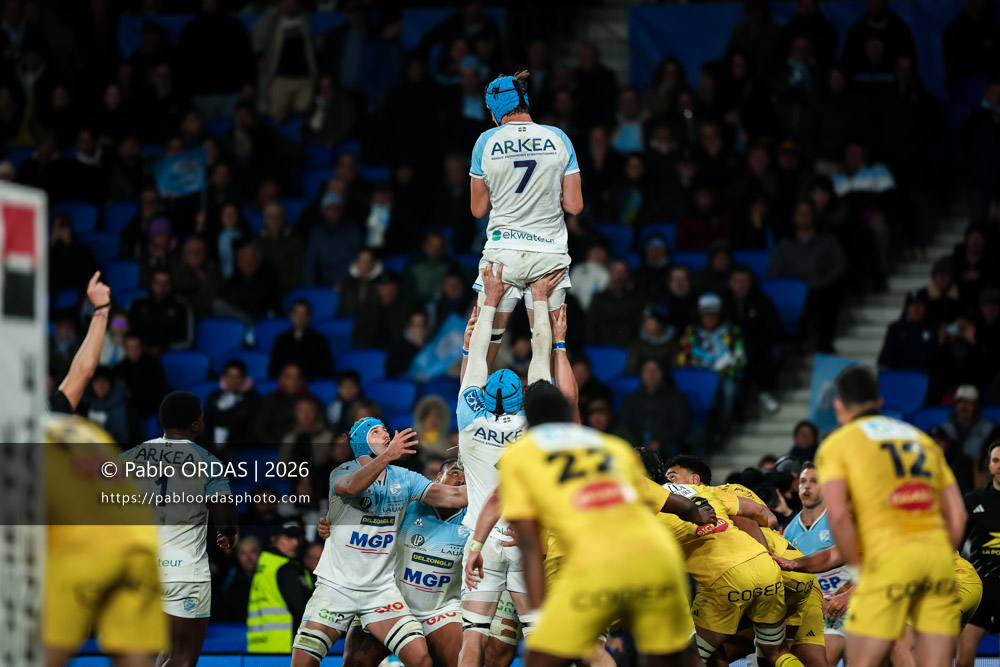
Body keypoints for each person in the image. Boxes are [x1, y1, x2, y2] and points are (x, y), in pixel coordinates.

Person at [493, 382, 695, 667]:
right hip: (656, 555)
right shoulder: (613, 447)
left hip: (593, 561)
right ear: (568, 414)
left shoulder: (521, 454)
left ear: (530, 421)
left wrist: (541, 618)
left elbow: (527, 543)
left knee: (544, 660)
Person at [813, 365, 968, 667]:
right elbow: (958, 515)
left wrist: (859, 574)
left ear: (838, 406)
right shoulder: (921, 439)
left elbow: (840, 516)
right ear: (880, 403)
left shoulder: (838, 444)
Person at [289, 418, 467, 667]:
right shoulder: (342, 471)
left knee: (421, 660)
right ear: (361, 442)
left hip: (380, 591)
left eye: (385, 429)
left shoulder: (405, 479)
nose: (385, 434)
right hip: (337, 586)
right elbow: (351, 487)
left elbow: (456, 497)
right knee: (305, 663)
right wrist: (386, 457)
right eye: (376, 431)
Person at [456, 265, 562, 667]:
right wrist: (538, 297)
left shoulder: (468, 413)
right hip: (524, 536)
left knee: (473, 635)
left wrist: (491, 297)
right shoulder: (534, 422)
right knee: (540, 635)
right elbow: (540, 355)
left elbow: (478, 353)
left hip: (479, 538)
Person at [469, 70, 583, 365]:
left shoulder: (485, 142)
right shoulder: (558, 138)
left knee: (483, 345)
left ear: (496, 107)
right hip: (549, 255)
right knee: (553, 346)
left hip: (503, 255)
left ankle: (471, 408)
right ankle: (557, 411)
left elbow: (479, 210)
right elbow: (574, 205)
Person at [121, 391, 239, 667]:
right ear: (196, 424)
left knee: (160, 655)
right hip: (184, 571)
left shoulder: (130, 456)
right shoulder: (206, 461)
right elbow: (222, 512)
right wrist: (229, 532)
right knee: (182, 657)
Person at [317, 458, 469, 667]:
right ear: (437, 478)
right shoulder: (407, 502)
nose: (462, 480)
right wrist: (332, 523)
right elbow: (362, 517)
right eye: (454, 473)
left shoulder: (475, 518)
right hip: (388, 602)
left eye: (467, 476)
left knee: (466, 663)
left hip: (440, 609)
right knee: (354, 663)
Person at [43, 415, 167, 667]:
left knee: (40, 652)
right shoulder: (79, 427)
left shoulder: (13, 435)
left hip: (83, 543)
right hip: (141, 537)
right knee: (134, 654)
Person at [783, 462, 852, 667]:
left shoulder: (841, 519)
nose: (807, 486)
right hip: (813, 610)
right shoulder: (789, 531)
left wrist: (844, 594)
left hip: (845, 607)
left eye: (814, 481)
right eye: (803, 481)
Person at [959, 440, 1000, 667]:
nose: (999, 465)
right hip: (978, 588)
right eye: (995, 460)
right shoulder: (973, 500)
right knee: (964, 660)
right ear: (989, 464)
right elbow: (954, 545)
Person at [48, 272, 112, 414]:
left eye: (65, 324)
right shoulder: (41, 413)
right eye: (58, 324)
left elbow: (84, 371)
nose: (62, 328)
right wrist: (102, 309)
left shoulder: (40, 411)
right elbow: (84, 371)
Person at [247, 522, 314, 653]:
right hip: (285, 646)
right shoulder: (287, 568)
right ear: (274, 539)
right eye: (289, 538)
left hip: (258, 645)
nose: (295, 543)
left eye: (298, 538)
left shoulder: (264, 563)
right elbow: (304, 608)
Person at [620, 359, 693, 455]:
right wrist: (638, 444)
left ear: (662, 373)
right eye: (647, 370)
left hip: (666, 444)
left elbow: (680, 425)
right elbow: (624, 425)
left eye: (655, 370)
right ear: (641, 374)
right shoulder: (630, 399)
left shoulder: (676, 398)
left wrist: (660, 441)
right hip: (636, 445)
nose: (651, 375)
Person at [268, 299, 335, 381]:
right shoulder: (281, 340)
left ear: (309, 317)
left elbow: (326, 371)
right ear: (291, 315)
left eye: (304, 314)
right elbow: (273, 370)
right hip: (285, 387)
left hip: (310, 386)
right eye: (297, 314)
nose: (300, 318)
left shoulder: (320, 341)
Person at [203, 358, 262, 449]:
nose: (233, 381)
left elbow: (252, 431)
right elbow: (205, 424)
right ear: (224, 377)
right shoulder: (214, 397)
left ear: (243, 379)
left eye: (237, 377)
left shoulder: (253, 400)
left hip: (238, 452)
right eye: (229, 376)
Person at [877, 290, 938, 373]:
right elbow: (885, 358)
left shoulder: (934, 327)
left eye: (920, 304)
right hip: (900, 377)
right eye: (913, 305)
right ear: (907, 308)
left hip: (926, 378)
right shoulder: (895, 328)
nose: (916, 308)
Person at [939, 385, 995, 465]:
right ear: (955, 404)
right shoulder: (944, 429)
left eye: (969, 402)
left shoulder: (988, 429)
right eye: (960, 401)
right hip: (949, 472)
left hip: (978, 472)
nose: (964, 406)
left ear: (976, 406)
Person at [215, 536, 262, 623]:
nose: (248, 557)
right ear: (237, 556)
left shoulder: (268, 578)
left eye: (253, 551)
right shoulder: (229, 579)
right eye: (243, 553)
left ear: (260, 553)